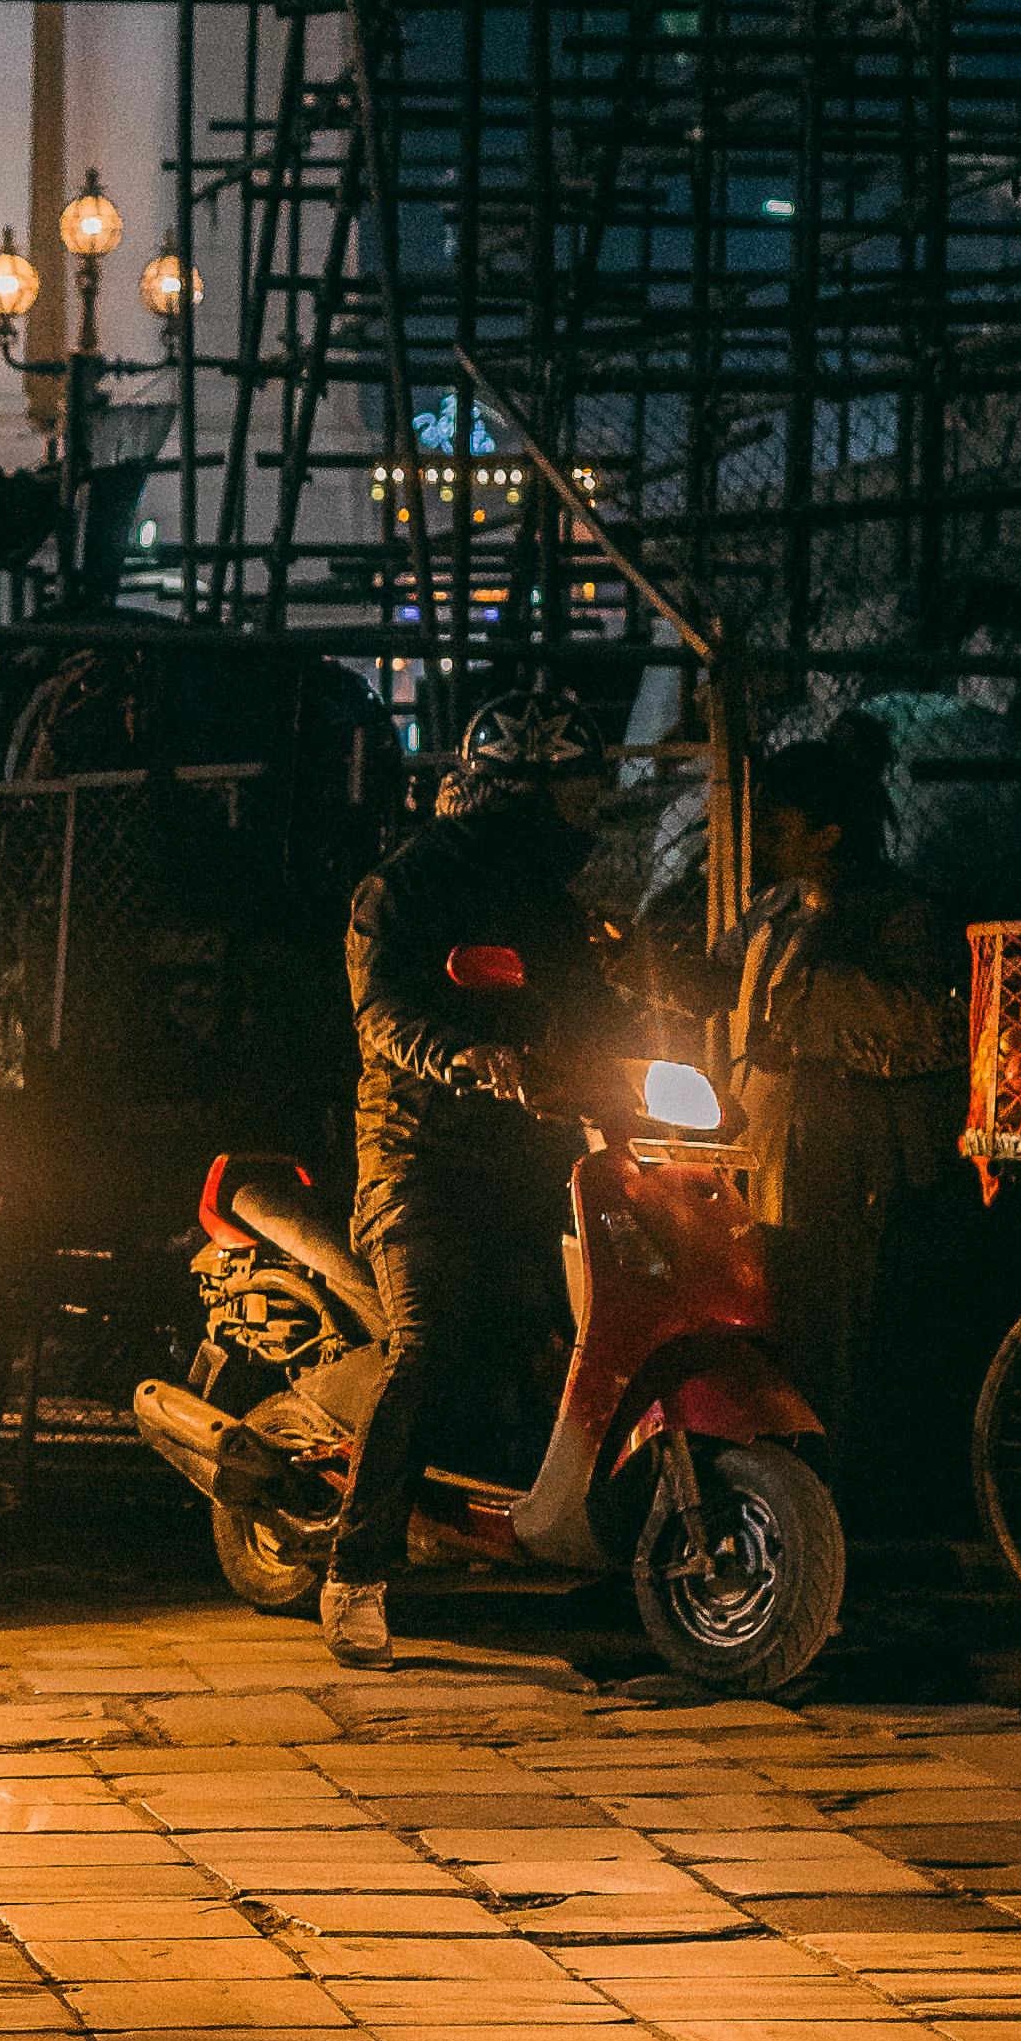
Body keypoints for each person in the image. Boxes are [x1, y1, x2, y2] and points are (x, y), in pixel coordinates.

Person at [324, 681, 629, 1668]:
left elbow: (593, 1008)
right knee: (427, 1343)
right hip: (419, 1155)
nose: (587, 815)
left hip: (530, 1152)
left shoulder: (548, 904)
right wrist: (465, 1057)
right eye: (575, 796)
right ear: (524, 795)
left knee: (578, 1334)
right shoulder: (404, 887)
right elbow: (382, 1014)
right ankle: (356, 1571)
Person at [723, 730, 964, 1445]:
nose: (760, 839)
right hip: (764, 1146)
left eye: (778, 826)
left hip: (846, 1161)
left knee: (829, 1332)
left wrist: (817, 998)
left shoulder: (894, 914)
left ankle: (830, 1469)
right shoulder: (779, 907)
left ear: (828, 835)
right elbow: (722, 973)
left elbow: (924, 1023)